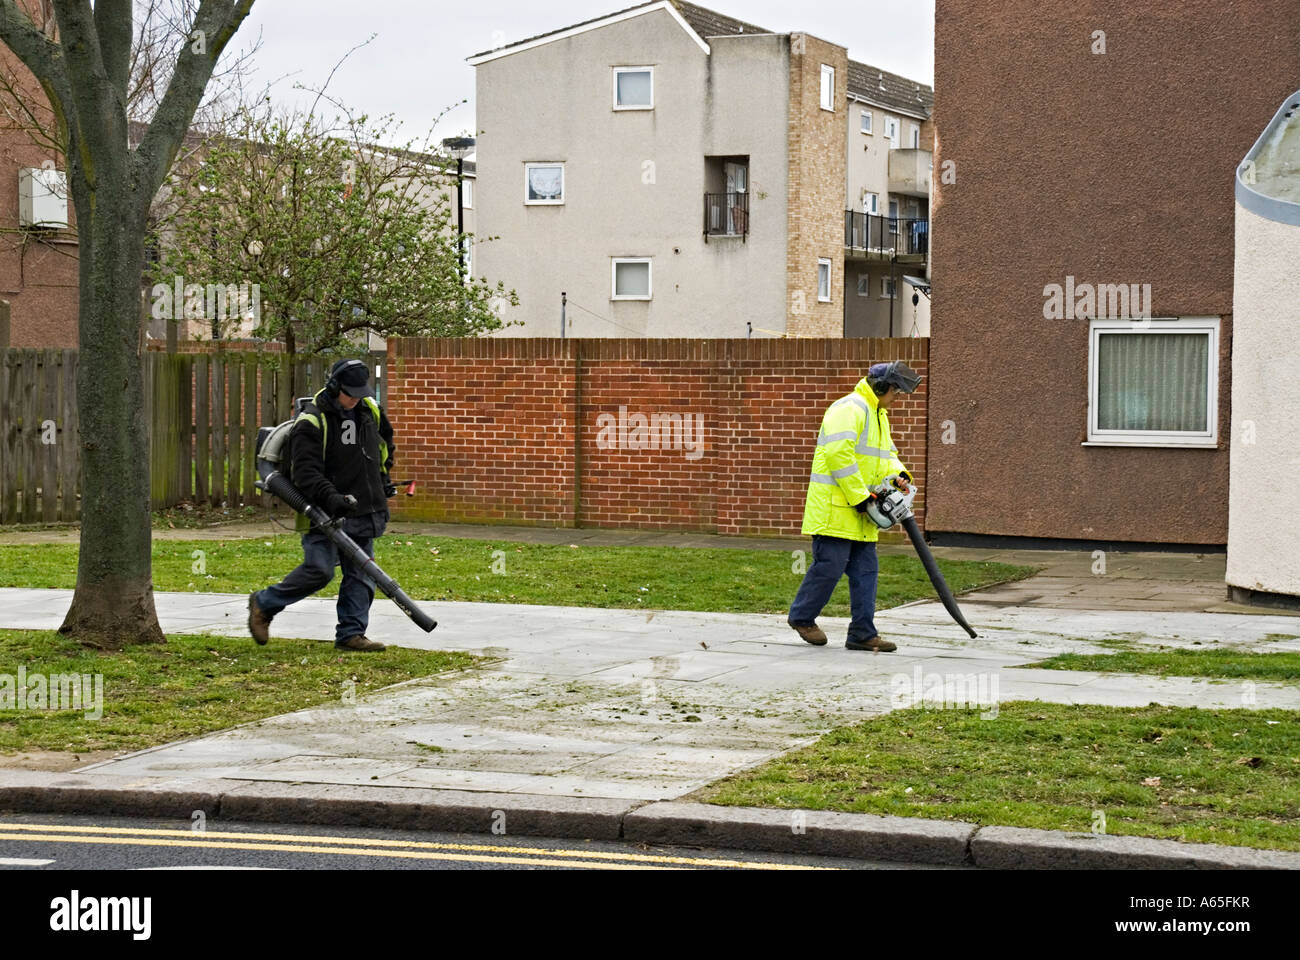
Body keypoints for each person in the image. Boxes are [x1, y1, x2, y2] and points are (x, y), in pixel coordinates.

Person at [248, 358, 396, 652]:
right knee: (319, 570)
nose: (354, 399)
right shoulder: (311, 422)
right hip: (323, 512)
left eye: (359, 393)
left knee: (361, 573)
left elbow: (384, 446)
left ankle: (352, 634)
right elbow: (305, 474)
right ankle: (263, 604)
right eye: (349, 393)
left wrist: (383, 479)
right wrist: (332, 498)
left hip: (364, 507)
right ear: (334, 386)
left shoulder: (370, 411)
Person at [788, 361, 922, 652]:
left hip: (862, 514)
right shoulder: (850, 408)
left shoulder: (878, 415)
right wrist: (860, 497)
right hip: (835, 510)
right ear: (881, 387)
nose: (897, 398)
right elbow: (839, 454)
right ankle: (802, 617)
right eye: (895, 392)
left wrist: (900, 475)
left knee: (866, 572)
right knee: (829, 567)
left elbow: (886, 455)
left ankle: (862, 633)